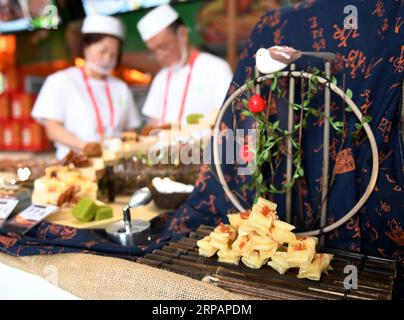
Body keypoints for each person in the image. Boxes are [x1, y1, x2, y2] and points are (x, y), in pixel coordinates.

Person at [32, 15, 142, 160]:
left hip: (117, 164)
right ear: (85, 47)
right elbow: (53, 129)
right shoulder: (61, 80)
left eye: (113, 54)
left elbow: (131, 129)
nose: (107, 59)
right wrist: (87, 147)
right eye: (102, 51)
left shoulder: (120, 87)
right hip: (75, 163)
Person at [137, 4, 233, 133]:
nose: (160, 56)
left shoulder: (216, 68)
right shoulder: (161, 77)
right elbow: (153, 122)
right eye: (154, 51)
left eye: (163, 47)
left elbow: (228, 118)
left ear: (182, 34)